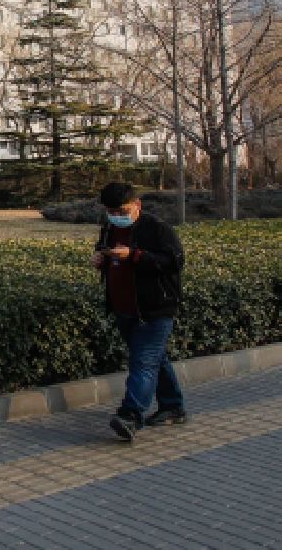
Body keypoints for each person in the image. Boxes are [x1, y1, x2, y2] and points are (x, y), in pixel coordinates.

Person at [90, 181, 186, 441]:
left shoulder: (157, 229)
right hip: (124, 308)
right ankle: (173, 405)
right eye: (112, 212)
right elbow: (105, 251)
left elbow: (174, 261)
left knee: (143, 362)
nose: (117, 217)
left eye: (122, 211)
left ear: (137, 205)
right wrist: (100, 258)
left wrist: (135, 256)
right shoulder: (109, 228)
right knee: (155, 358)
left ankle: (130, 415)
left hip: (154, 309)